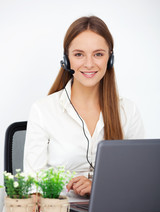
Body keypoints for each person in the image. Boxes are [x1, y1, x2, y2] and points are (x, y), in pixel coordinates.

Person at [23, 16, 145, 199]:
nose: (89, 64)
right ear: (66, 59)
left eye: (98, 54)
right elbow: (33, 185)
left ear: (110, 58)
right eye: (79, 54)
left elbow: (138, 177)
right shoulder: (43, 110)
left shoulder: (128, 111)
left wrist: (98, 186)